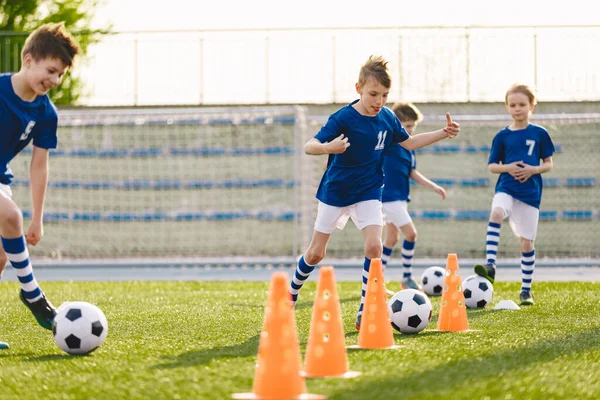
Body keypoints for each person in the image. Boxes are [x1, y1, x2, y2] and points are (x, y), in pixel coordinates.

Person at [288, 55, 460, 330]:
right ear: (358, 89)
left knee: (374, 246)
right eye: (373, 94)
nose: (379, 101)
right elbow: (310, 145)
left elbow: (410, 142)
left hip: (369, 190)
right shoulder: (343, 117)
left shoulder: (388, 117)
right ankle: (290, 295)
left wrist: (443, 132)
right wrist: (328, 148)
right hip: (336, 191)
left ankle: (365, 308)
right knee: (316, 254)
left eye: (384, 95)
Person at [0, 22, 81, 348]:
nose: (55, 80)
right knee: (9, 217)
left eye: (60, 74)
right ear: (28, 59)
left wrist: (39, 218)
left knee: (0, 257)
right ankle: (33, 294)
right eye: (51, 70)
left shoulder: (46, 113)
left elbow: (39, 166)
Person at [474, 83, 555, 305]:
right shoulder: (502, 136)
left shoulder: (540, 133)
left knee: (526, 243)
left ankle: (525, 290)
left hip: (530, 193)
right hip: (506, 186)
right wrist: (508, 167)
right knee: (496, 213)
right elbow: (492, 166)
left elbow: (548, 164)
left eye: (522, 104)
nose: (517, 109)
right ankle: (490, 264)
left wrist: (533, 170)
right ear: (507, 107)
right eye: (512, 105)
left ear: (531, 106)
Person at [381, 102, 447, 290]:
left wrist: (434, 187)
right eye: (407, 126)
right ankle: (407, 277)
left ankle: (376, 279)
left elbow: (412, 172)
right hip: (388, 198)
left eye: (413, 127)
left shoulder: (409, 149)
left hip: (400, 198)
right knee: (411, 234)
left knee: (391, 239)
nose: (410, 130)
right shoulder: (389, 142)